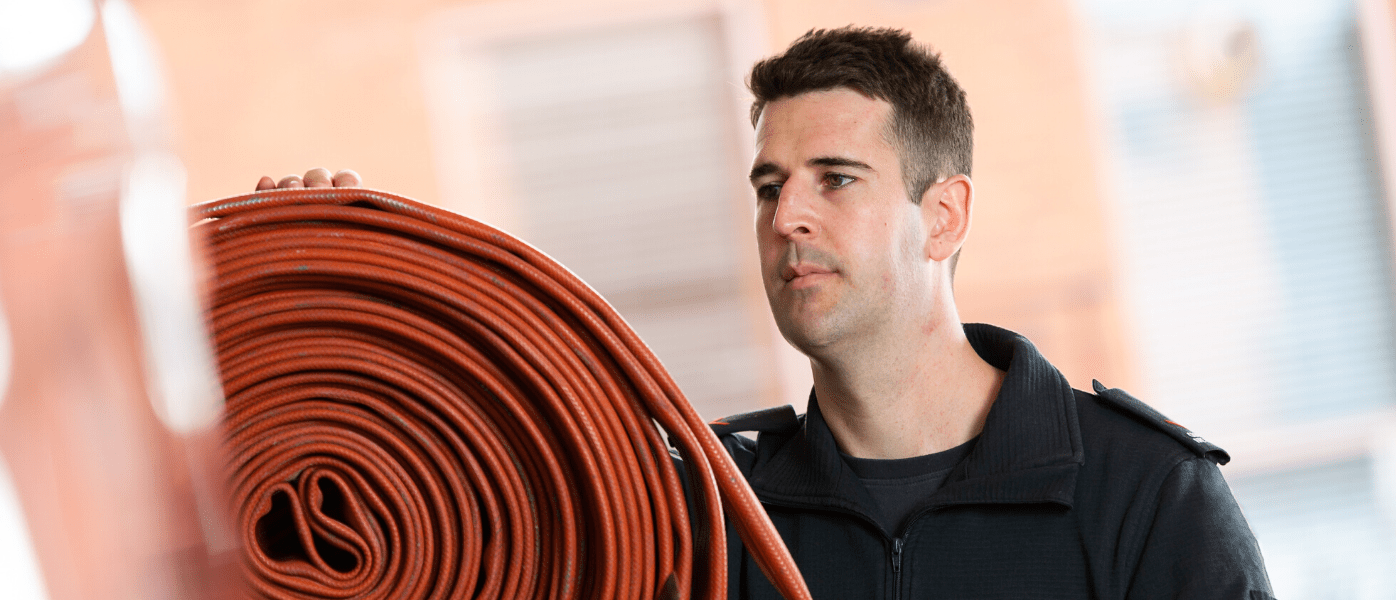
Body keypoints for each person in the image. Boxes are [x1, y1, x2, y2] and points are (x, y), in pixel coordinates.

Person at [254, 25, 1273, 600]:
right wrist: (325, 310)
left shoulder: (1143, 495)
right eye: (767, 184)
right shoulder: (693, 509)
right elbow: (431, 545)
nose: (785, 216)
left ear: (943, 215)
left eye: (835, 179)